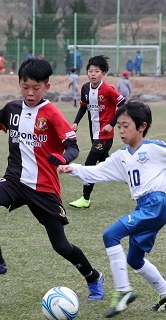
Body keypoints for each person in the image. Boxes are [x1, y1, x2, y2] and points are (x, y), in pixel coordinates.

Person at [0, 58, 105, 301]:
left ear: (47, 86)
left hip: (44, 188)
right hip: (14, 180)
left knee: (61, 246)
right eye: (25, 87)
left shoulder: (52, 113)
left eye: (36, 88)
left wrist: (63, 159)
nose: (30, 93)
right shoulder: (12, 109)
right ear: (19, 84)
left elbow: (72, 146)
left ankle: (93, 277)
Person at [58, 101, 166, 317]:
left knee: (110, 235)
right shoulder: (121, 157)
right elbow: (97, 172)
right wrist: (73, 169)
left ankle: (123, 290)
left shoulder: (154, 148)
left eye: (126, 125)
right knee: (134, 260)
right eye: (119, 126)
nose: (121, 131)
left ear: (142, 126)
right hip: (144, 207)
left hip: (156, 204)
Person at [68, 55, 126, 209]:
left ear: (104, 73)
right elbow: (83, 107)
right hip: (94, 134)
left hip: (105, 136)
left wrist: (112, 124)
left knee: (89, 164)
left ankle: (85, 199)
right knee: (109, 165)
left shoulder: (108, 90)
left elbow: (124, 104)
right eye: (90, 71)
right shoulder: (85, 88)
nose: (93, 74)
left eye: (97, 71)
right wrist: (75, 122)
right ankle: (133, 180)